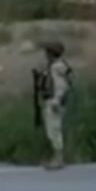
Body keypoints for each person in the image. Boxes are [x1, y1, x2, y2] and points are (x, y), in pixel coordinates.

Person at [35, 40, 72, 170]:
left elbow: (61, 86)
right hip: (51, 100)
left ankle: (58, 158)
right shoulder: (54, 66)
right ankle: (55, 157)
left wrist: (56, 100)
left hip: (54, 102)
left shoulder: (57, 67)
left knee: (54, 129)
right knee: (51, 129)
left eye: (47, 52)